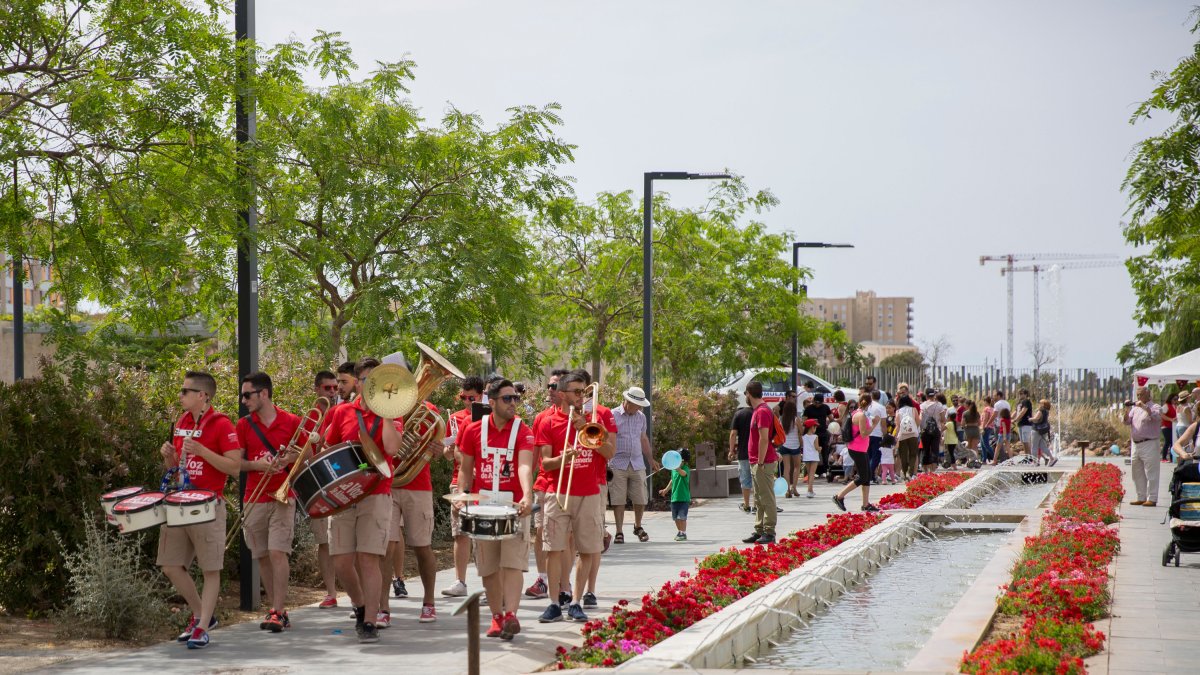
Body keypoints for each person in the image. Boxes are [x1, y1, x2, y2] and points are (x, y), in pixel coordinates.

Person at [158, 371, 243, 650]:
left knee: (210, 569)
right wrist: (169, 457)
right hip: (180, 502)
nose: (180, 395)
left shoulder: (221, 424)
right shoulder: (182, 422)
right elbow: (175, 470)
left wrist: (204, 451)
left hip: (208, 505)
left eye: (185, 391)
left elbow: (234, 467)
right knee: (170, 565)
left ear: (202, 396)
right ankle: (200, 615)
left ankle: (202, 627)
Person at [322, 357, 404, 643]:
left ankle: (370, 620)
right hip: (345, 494)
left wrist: (387, 413)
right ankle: (359, 606)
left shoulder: (392, 414)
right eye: (368, 380)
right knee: (342, 561)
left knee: (369, 559)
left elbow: (392, 449)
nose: (373, 385)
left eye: (378, 381)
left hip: (376, 493)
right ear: (358, 382)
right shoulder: (342, 412)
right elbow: (328, 447)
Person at [455, 378, 535, 641]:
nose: (513, 403)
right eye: (507, 398)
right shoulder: (473, 430)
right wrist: (461, 495)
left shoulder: (523, 430)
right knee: (488, 568)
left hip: (514, 506)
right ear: (491, 402)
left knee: (513, 564)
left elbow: (525, 466)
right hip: (483, 506)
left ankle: (511, 615)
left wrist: (527, 495)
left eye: (516, 398)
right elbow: (466, 469)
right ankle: (496, 617)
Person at [536, 369, 616, 624]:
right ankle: (554, 602)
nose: (582, 396)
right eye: (577, 392)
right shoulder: (548, 422)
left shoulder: (595, 420)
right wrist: (564, 458)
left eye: (584, 391)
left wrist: (587, 430)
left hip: (589, 493)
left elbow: (609, 453)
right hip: (557, 492)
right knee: (553, 549)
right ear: (562, 394)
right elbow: (545, 463)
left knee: (588, 549)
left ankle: (577, 602)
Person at [235, 371, 302, 633]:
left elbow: (308, 455)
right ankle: (278, 611)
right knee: (262, 555)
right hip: (254, 496)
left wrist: (290, 459)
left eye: (247, 395)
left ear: (264, 393)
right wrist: (258, 465)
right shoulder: (243, 425)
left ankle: (278, 608)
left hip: (283, 496)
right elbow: (237, 463)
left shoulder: (292, 421)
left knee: (277, 552)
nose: (244, 400)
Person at [440, 375, 485, 599]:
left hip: (485, 482)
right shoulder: (455, 418)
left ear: (482, 395)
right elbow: (447, 455)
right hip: (460, 480)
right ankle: (460, 581)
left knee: (484, 535)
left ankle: (489, 584)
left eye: (471, 398)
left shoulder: (490, 417)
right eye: (463, 397)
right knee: (460, 533)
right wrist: (449, 450)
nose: (467, 402)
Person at [526, 369, 568, 601]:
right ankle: (543, 579)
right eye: (549, 386)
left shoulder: (579, 417)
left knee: (568, 538)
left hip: (572, 487)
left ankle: (564, 583)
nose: (550, 390)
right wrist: (527, 485)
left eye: (555, 386)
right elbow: (533, 456)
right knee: (542, 531)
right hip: (546, 483)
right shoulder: (542, 418)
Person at [307, 370, 341, 609]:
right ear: (317, 389)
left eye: (335, 388)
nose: (332, 392)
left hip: (343, 481)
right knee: (324, 541)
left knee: (351, 542)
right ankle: (331, 593)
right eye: (327, 388)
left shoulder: (344, 412)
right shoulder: (310, 417)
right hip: (320, 483)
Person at [610, 386, 659, 543]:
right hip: (617, 462)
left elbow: (643, 438)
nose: (639, 408)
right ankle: (619, 531)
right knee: (618, 499)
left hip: (637, 462)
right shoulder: (613, 414)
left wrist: (650, 459)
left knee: (641, 497)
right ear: (628, 401)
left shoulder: (641, 417)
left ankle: (638, 526)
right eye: (637, 405)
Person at [742, 381, 779, 544]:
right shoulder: (758, 410)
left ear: (749, 393)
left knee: (766, 497)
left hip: (763, 462)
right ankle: (759, 529)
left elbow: (764, 439)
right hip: (757, 461)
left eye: (746, 393)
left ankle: (769, 531)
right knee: (758, 497)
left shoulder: (762, 411)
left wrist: (761, 462)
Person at [833, 394, 877, 512]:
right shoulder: (860, 415)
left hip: (860, 449)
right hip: (857, 449)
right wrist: (874, 425)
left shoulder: (857, 413)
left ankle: (865, 504)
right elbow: (864, 433)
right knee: (863, 477)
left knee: (867, 476)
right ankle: (839, 496)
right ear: (869, 403)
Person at [1125, 386, 1163, 507]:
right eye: (1137, 395)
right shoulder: (1135, 409)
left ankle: (1152, 498)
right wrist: (1127, 409)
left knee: (1151, 471)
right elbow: (1126, 421)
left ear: (1148, 394)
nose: (1139, 397)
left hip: (1149, 443)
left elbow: (1156, 416)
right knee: (1137, 472)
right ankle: (1141, 496)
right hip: (1136, 443)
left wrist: (1144, 407)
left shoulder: (1155, 407)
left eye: (1141, 394)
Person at [659, 448, 691, 540]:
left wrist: (677, 468)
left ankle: (683, 533)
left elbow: (683, 474)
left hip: (683, 498)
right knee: (675, 518)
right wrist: (666, 490)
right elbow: (672, 481)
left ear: (683, 461)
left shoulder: (685, 469)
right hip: (674, 498)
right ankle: (680, 531)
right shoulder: (673, 470)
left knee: (682, 517)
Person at [727, 405, 755, 512]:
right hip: (757, 453)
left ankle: (747, 505)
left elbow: (733, 434)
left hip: (743, 452)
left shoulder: (739, 414)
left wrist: (731, 450)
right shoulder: (758, 412)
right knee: (757, 480)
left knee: (745, 479)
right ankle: (756, 505)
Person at [802, 393, 832, 478]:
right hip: (812, 434)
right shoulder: (809, 408)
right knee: (812, 452)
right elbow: (804, 421)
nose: (817, 404)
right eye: (816, 402)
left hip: (823, 433)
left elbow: (831, 418)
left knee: (824, 452)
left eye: (819, 403)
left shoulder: (825, 407)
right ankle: (812, 472)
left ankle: (825, 470)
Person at [777, 399, 802, 497]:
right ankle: (794, 488)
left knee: (786, 468)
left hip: (784, 445)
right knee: (797, 466)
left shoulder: (781, 419)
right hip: (795, 445)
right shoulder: (796, 419)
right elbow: (801, 431)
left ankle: (787, 490)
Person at [919, 388, 945, 474]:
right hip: (936, 430)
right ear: (934, 395)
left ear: (926, 396)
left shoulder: (922, 405)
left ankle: (925, 470)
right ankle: (933, 470)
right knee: (935, 450)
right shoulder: (939, 405)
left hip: (925, 430)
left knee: (925, 450)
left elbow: (920, 418)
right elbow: (943, 419)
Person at [894, 394, 920, 480]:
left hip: (902, 435)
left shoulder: (898, 411)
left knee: (903, 455)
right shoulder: (914, 409)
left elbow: (897, 425)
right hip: (913, 435)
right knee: (913, 454)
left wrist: (896, 436)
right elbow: (918, 421)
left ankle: (905, 473)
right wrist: (914, 429)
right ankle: (911, 473)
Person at [866, 390, 886, 480]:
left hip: (867, 433)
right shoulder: (881, 407)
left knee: (868, 456)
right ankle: (870, 475)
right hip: (877, 434)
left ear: (871, 396)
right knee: (876, 456)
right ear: (880, 397)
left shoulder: (867, 406)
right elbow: (883, 423)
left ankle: (869, 475)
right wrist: (885, 435)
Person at [1029, 399, 1056, 466]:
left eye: (1040, 403)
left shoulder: (1040, 411)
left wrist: (1030, 419)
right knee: (1043, 447)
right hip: (1042, 431)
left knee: (1034, 447)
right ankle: (1052, 458)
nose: (1039, 404)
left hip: (1036, 430)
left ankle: (1035, 462)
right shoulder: (1046, 411)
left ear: (1043, 404)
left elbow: (1036, 418)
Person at [800, 418, 821, 497]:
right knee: (812, 474)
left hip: (806, 457)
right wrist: (820, 448)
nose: (815, 429)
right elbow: (816, 447)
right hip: (814, 456)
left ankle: (811, 490)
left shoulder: (803, 437)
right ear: (812, 427)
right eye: (815, 427)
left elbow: (802, 446)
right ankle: (809, 490)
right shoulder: (815, 436)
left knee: (809, 474)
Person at [878, 403, 897, 484]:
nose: (887, 410)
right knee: (883, 456)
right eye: (886, 408)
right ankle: (880, 474)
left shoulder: (896, 417)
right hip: (885, 438)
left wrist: (894, 436)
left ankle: (893, 474)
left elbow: (896, 427)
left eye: (889, 408)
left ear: (894, 408)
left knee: (893, 455)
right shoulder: (885, 417)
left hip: (892, 438)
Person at [979, 396, 996, 465]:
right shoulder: (992, 409)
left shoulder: (986, 409)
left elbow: (985, 419)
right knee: (982, 444)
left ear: (985, 401)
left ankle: (994, 458)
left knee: (986, 444)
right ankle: (984, 459)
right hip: (990, 427)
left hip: (986, 427)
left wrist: (983, 427)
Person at [1162, 392, 1179, 462]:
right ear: (1170, 399)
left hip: (1173, 426)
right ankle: (1164, 457)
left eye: (1177, 399)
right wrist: (1170, 419)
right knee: (1168, 441)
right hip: (1166, 426)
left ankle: (1172, 458)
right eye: (1174, 399)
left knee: (1173, 442)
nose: (1176, 401)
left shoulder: (1176, 406)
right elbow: (1162, 415)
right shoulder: (1166, 406)